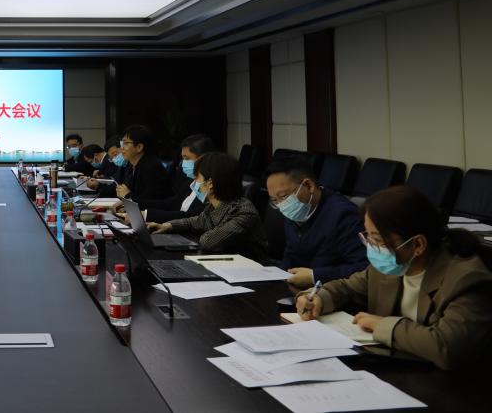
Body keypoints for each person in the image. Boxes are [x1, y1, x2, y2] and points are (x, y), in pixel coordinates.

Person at [297, 185, 492, 370]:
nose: (372, 247)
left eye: (378, 240)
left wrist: (382, 326)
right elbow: (348, 287)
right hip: (393, 369)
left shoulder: (466, 279)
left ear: (418, 245)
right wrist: (319, 298)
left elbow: (448, 347)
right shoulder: (388, 268)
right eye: (368, 237)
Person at [265, 157, 367, 288]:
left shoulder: (343, 215)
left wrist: (315, 276)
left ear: (309, 186)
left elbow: (363, 267)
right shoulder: (294, 210)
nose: (281, 205)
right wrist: (279, 276)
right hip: (299, 289)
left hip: (333, 291)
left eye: (283, 196)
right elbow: (291, 254)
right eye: (274, 200)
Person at [148, 152, 268, 262]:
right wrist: (168, 226)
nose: (193, 183)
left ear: (210, 183)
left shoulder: (243, 211)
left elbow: (209, 241)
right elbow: (194, 222)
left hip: (252, 272)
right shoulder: (214, 206)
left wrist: (202, 230)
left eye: (196, 178)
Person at [141, 134, 213, 223]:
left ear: (204, 158)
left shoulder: (212, 187)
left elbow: (191, 217)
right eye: (183, 158)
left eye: (187, 158)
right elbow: (172, 203)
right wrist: (137, 204)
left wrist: (146, 215)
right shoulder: (190, 181)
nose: (183, 163)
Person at [115, 125, 171, 209]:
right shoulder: (131, 165)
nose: (121, 148)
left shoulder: (152, 168)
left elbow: (150, 201)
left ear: (139, 147)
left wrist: (127, 195)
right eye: (121, 143)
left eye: (126, 143)